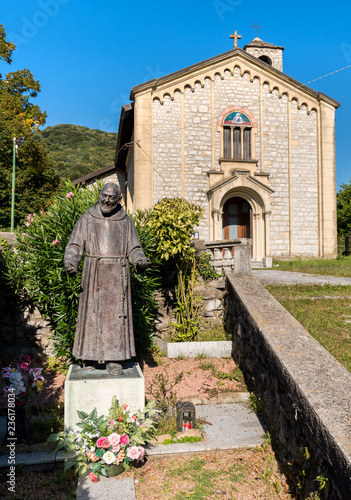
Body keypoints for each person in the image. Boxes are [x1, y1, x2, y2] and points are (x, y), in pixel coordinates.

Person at [64, 183, 150, 374]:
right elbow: (75, 245)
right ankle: (90, 355)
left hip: (116, 277)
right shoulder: (86, 219)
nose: (106, 200)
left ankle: (114, 358)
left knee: (114, 319)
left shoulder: (126, 221)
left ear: (119, 200)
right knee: (92, 315)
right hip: (93, 273)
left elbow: (134, 248)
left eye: (111, 198)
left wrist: (139, 260)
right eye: (104, 195)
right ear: (100, 195)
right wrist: (71, 262)